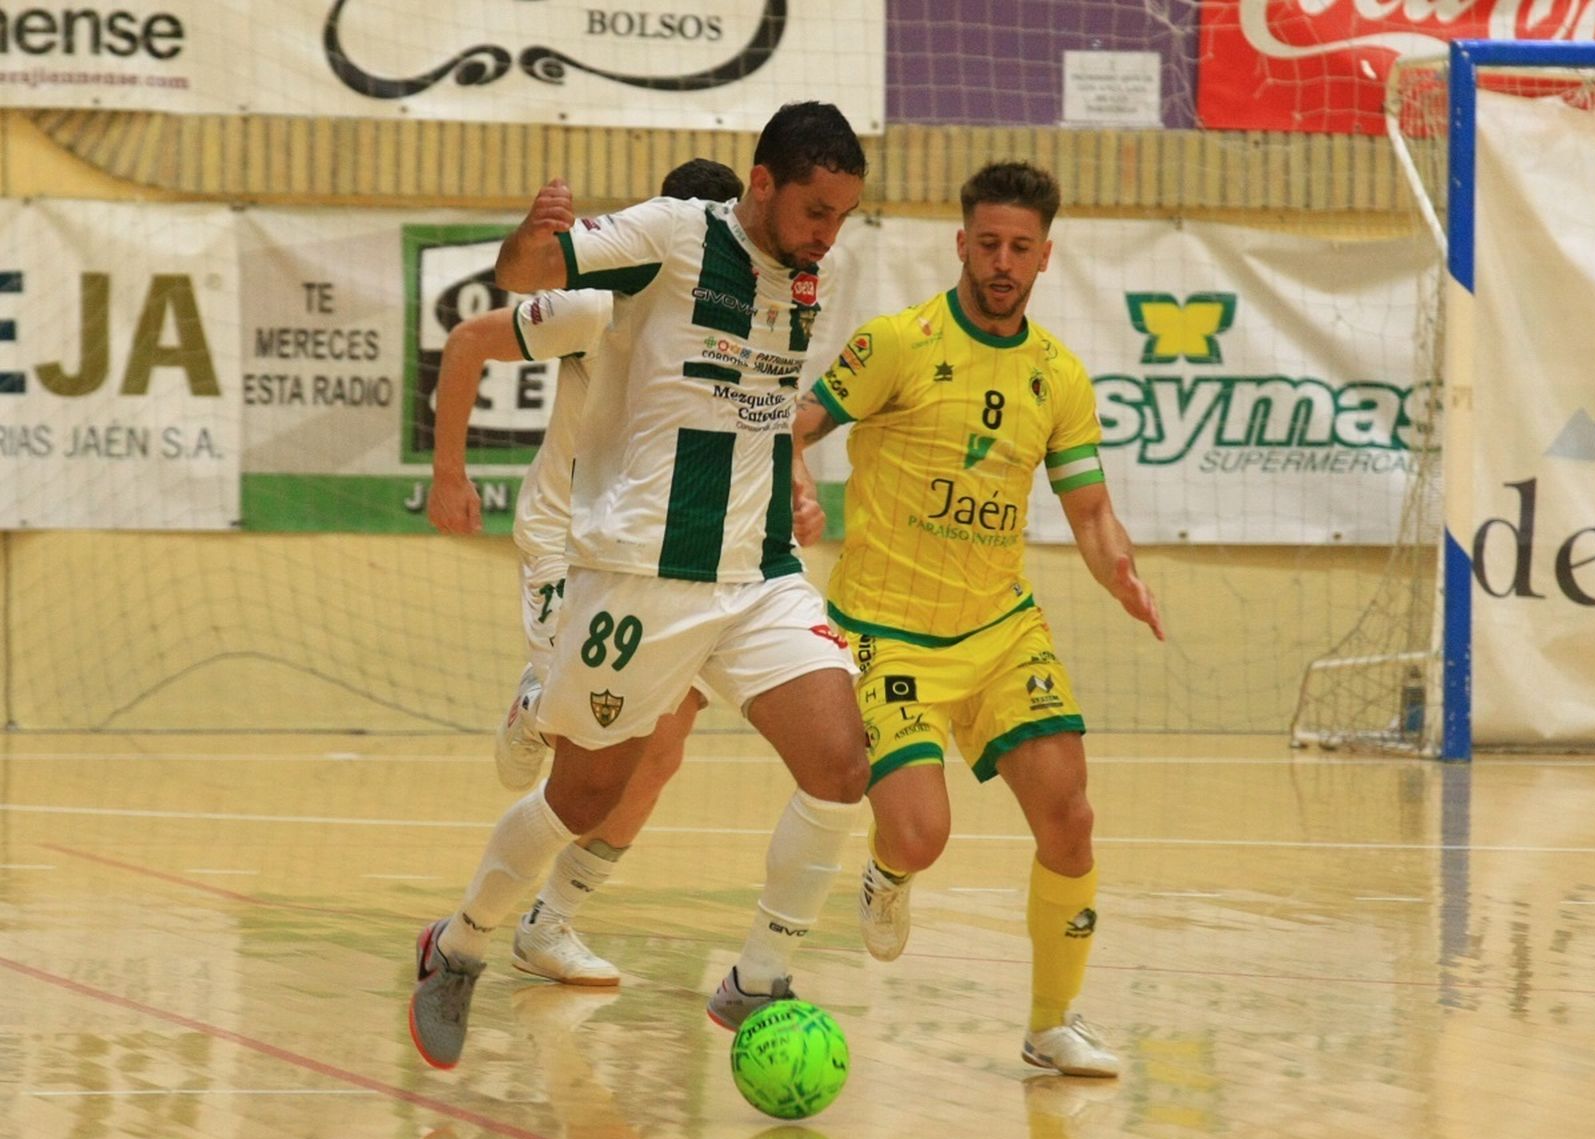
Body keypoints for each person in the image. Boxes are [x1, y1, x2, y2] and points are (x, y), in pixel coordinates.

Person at [409, 102, 872, 1070]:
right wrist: (532, 238)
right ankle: (461, 945)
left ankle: (759, 976)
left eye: (841, 215)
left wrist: (794, 486)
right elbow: (522, 277)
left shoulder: (814, 278)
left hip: (757, 577)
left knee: (838, 762)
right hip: (639, 577)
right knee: (583, 796)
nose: (827, 233)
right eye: (815, 211)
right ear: (761, 185)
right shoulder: (670, 235)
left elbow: (763, 406)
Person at [795, 160, 1165, 1077]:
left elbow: (1087, 509)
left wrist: (1119, 570)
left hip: (1000, 629)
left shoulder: (1059, 375)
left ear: (1046, 256)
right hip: (884, 629)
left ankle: (1052, 1024)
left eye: (1021, 247)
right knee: (922, 832)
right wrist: (797, 477)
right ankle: (889, 872)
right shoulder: (897, 342)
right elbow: (791, 424)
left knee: (1070, 816)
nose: (1003, 261)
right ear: (962, 243)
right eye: (988, 243)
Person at [423, 160, 754, 992]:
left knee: (663, 747)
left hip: (673, 561)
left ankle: (552, 921)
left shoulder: (747, 320)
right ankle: (540, 705)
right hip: (570, 548)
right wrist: (449, 473)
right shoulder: (600, 302)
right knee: (590, 741)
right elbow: (467, 341)